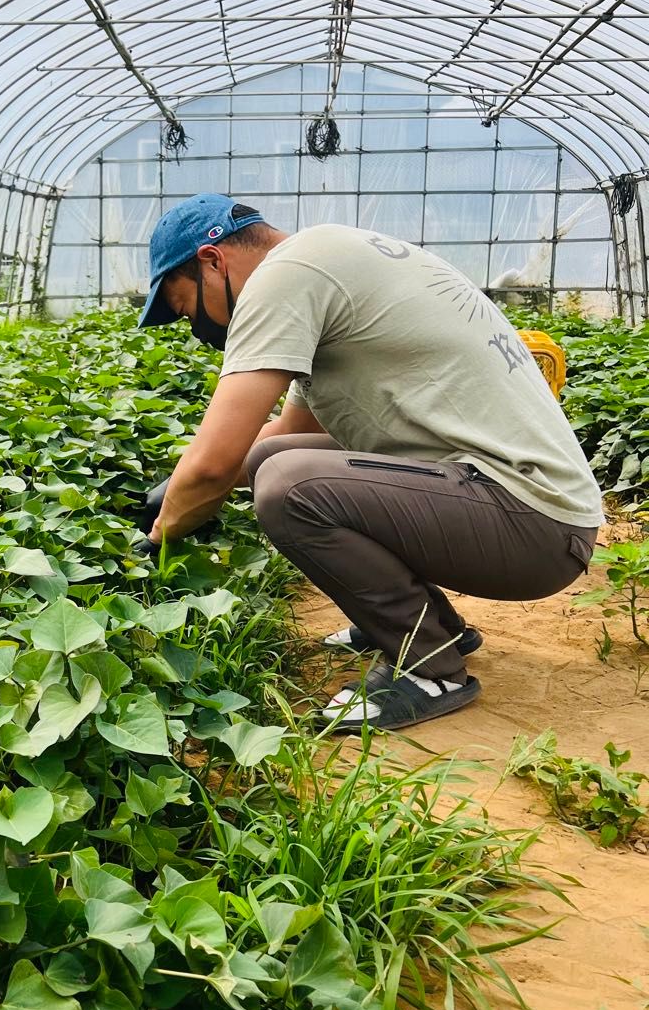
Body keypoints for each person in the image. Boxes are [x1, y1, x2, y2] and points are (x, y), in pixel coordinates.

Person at [138, 194, 602, 733]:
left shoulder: (283, 276)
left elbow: (218, 465)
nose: (197, 327)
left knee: (290, 488)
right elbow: (285, 434)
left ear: (212, 260)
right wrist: (178, 485)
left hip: (534, 524)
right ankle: (428, 624)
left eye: (188, 309)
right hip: (506, 500)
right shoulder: (321, 261)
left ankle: (431, 669)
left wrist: (160, 534)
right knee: (274, 458)